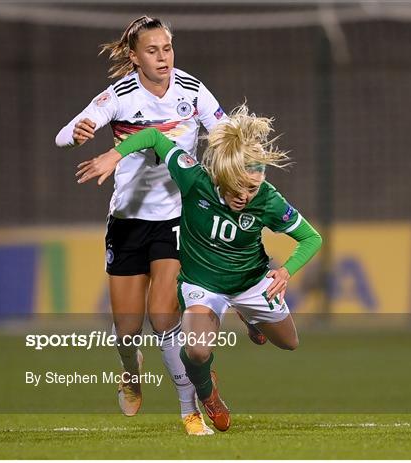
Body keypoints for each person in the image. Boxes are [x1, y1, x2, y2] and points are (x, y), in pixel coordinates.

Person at [76, 105, 323, 432]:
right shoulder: (194, 177)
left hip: (250, 282)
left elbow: (310, 237)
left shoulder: (269, 199)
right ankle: (209, 396)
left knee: (290, 343)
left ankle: (250, 317)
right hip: (203, 286)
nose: (246, 196)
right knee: (196, 348)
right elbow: (152, 136)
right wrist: (114, 154)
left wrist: (287, 270)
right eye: (240, 186)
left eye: (254, 187)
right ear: (222, 173)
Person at [55, 16, 227, 435]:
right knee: (127, 331)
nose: (163, 57)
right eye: (152, 50)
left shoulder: (192, 89)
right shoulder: (119, 95)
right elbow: (65, 134)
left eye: (166, 48)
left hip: (176, 219)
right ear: (134, 57)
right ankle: (130, 373)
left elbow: (223, 131)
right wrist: (77, 135)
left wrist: (233, 152)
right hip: (128, 221)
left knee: (163, 316)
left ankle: (192, 407)